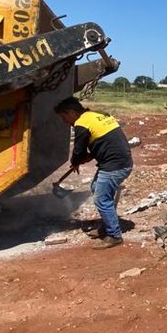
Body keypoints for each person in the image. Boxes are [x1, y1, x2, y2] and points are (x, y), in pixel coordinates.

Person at [54, 97, 133, 248]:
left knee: (101, 199)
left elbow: (78, 150)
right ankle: (107, 226)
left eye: (64, 117)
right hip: (119, 161)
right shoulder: (99, 115)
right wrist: (87, 157)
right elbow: (103, 142)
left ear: (71, 112)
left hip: (115, 165)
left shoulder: (82, 123)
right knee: (96, 189)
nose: (65, 122)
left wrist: (76, 161)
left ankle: (114, 235)